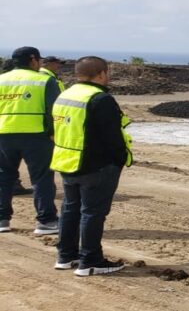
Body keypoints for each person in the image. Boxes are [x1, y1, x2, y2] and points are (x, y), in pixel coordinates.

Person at [51, 56, 133, 276]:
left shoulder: (64, 94)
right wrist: (119, 160)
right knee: (92, 213)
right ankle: (90, 260)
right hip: (96, 165)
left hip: (67, 161)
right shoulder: (99, 98)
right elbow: (112, 136)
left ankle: (66, 256)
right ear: (102, 74)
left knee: (70, 209)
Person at [0, 46, 60, 234]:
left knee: (4, 177)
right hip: (36, 136)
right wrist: (53, 133)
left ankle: (2, 220)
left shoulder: (1, 80)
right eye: (39, 61)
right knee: (41, 178)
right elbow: (54, 111)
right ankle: (46, 221)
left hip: (4, 135)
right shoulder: (44, 80)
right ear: (33, 60)